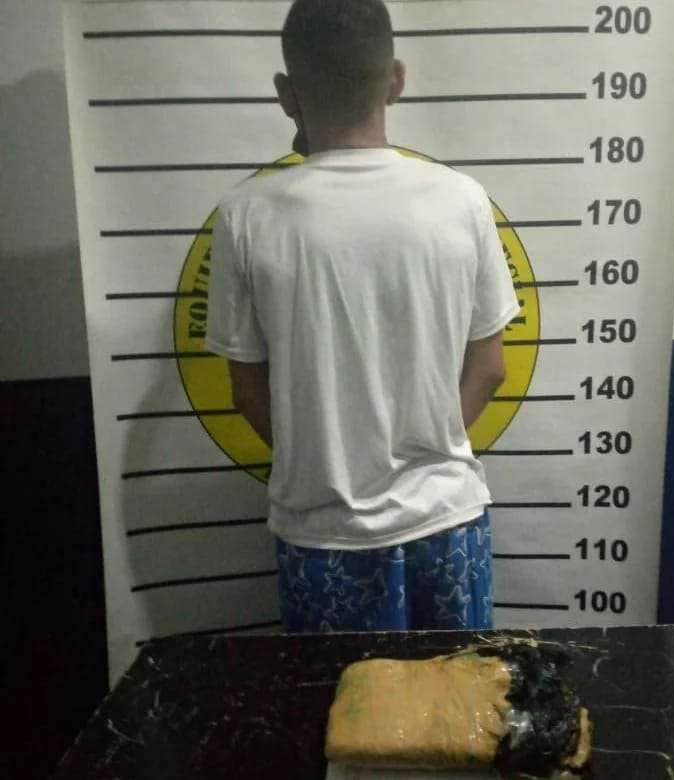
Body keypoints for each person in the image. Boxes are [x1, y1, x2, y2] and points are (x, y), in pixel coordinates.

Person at [206, 0, 519, 633]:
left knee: (337, 699)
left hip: (322, 534)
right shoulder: (463, 201)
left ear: (286, 93)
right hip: (446, 521)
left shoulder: (246, 216)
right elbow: (490, 369)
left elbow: (246, 392)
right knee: (459, 693)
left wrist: (330, 461)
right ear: (396, 79)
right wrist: (424, 449)